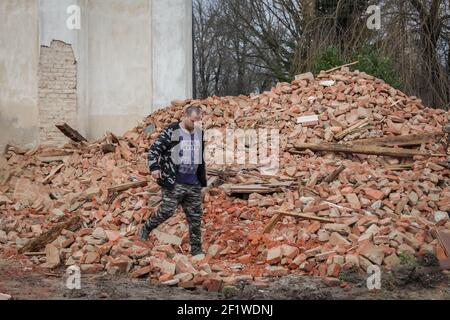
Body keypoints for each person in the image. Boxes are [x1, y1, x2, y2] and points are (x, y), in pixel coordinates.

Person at [140, 105, 207, 256]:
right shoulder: (172, 131)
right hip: (175, 181)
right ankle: (146, 228)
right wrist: (154, 168)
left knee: (195, 218)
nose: (195, 124)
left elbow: (200, 157)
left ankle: (196, 251)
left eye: (198, 121)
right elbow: (154, 150)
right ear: (185, 115)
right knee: (167, 211)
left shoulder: (199, 133)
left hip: (193, 183)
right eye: (193, 120)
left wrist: (202, 179)